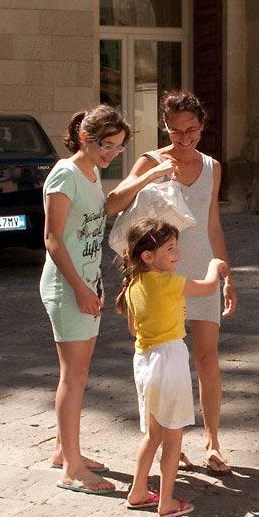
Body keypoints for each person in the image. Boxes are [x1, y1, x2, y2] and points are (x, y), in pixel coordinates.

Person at [108, 90, 237, 476]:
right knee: (164, 361)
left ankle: (213, 442)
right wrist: (150, 175)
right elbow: (113, 203)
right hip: (160, 275)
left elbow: (213, 224)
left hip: (201, 269)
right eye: (177, 131)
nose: (185, 138)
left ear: (202, 126)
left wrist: (227, 276)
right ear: (165, 128)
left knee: (207, 358)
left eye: (192, 130)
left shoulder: (212, 166)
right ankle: (168, 440)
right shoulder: (151, 160)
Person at [41, 105, 132, 495]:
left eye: (118, 147)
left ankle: (64, 451)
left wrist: (146, 177)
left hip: (87, 284)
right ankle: (73, 470)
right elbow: (52, 239)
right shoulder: (65, 174)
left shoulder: (92, 174)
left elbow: (103, 211)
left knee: (77, 374)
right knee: (73, 376)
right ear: (84, 137)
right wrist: (79, 288)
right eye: (105, 145)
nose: (111, 153)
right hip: (68, 287)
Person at [115, 218, 228, 517]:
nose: (177, 253)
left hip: (144, 360)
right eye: (170, 248)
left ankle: (138, 491)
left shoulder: (132, 285)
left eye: (176, 246)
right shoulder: (171, 282)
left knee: (153, 434)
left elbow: (133, 328)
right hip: (169, 360)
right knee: (173, 436)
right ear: (148, 256)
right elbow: (208, 287)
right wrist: (214, 264)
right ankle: (166, 502)